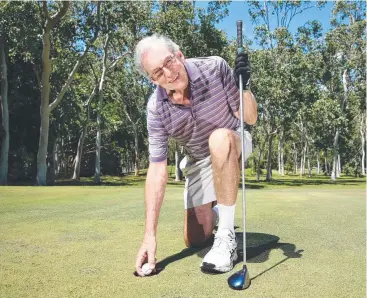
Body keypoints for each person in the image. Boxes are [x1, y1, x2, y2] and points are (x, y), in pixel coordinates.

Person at [134, 34, 258, 276]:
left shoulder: (215, 67)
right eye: (158, 73)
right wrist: (149, 236)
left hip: (234, 142)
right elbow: (157, 169)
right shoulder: (156, 109)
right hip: (198, 160)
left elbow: (250, 118)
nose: (168, 74)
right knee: (195, 239)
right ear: (152, 80)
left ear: (180, 55)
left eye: (169, 62)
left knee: (219, 138)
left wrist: (246, 85)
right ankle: (218, 208)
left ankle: (226, 239)